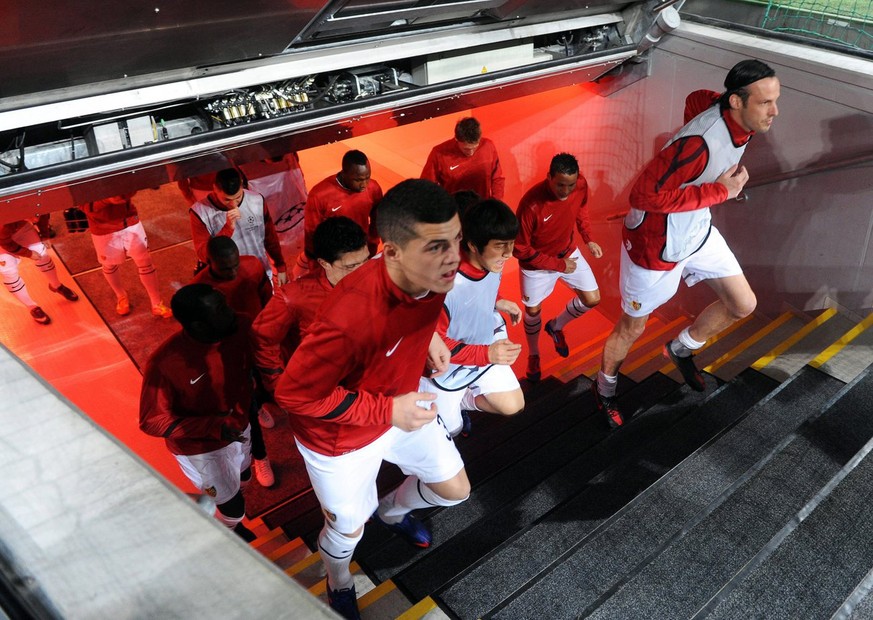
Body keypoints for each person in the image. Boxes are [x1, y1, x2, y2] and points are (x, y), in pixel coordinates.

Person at [273, 179, 470, 620]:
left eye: (456, 239)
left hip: (397, 408)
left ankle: (394, 511)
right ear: (393, 252)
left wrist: (433, 334)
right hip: (340, 438)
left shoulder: (430, 276)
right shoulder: (350, 317)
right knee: (347, 529)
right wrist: (386, 410)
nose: (455, 257)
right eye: (438, 246)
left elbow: (418, 316)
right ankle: (339, 579)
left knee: (454, 490)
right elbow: (294, 395)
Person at [593, 59, 780, 429]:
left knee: (743, 304)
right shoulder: (698, 145)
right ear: (737, 102)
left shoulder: (735, 116)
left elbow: (697, 99)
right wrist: (719, 192)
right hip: (655, 246)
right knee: (631, 327)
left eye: (776, 100)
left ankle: (680, 349)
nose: (775, 111)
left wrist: (712, 193)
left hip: (696, 229)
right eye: (765, 103)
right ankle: (605, 388)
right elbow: (643, 195)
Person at [139, 284, 257, 542]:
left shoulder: (240, 327)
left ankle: (233, 520)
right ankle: (229, 532)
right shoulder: (165, 363)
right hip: (202, 450)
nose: (231, 312)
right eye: (221, 310)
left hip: (240, 426)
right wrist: (212, 426)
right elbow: (152, 421)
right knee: (233, 507)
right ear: (198, 325)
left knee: (245, 477)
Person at [419, 198, 524, 438]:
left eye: (511, 244)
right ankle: (455, 404)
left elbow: (482, 286)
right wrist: (487, 354)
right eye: (501, 246)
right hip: (446, 369)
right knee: (451, 433)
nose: (509, 254)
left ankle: (465, 400)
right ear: (473, 246)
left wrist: (497, 300)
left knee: (513, 404)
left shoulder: (490, 262)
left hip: (481, 347)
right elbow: (434, 346)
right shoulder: (444, 287)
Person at [252, 216, 370, 397]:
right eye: (351, 266)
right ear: (324, 263)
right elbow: (262, 339)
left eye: (365, 261)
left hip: (361, 381)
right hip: (320, 390)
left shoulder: (375, 279)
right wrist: (277, 384)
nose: (363, 271)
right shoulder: (294, 297)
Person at [192, 236, 275, 487]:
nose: (233, 271)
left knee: (271, 382)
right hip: (231, 351)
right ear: (209, 262)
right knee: (246, 405)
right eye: (225, 268)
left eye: (235, 264)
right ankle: (260, 456)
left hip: (260, 339)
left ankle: (261, 402)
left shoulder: (253, 265)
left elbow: (269, 300)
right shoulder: (200, 286)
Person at [513, 153, 603, 382]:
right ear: (548, 178)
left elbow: (581, 208)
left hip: (568, 253)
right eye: (560, 185)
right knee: (533, 311)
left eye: (570, 185)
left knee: (592, 299)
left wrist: (588, 238)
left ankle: (556, 326)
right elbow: (520, 249)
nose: (566, 190)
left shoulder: (580, 185)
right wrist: (559, 265)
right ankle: (534, 354)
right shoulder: (531, 205)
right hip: (537, 267)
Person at [189, 168, 288, 284]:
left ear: (242, 185)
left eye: (238, 198)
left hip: (259, 274)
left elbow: (270, 237)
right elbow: (203, 254)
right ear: (215, 188)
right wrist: (227, 229)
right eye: (227, 199)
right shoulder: (200, 213)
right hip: (226, 282)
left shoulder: (257, 201)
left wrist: (280, 265)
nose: (233, 204)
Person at [82, 192, 172, 319]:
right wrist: (107, 200)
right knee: (109, 265)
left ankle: (156, 303)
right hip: (102, 227)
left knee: (145, 261)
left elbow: (132, 182)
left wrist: (125, 193)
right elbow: (80, 203)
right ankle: (121, 296)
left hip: (130, 220)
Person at [294, 150, 382, 278]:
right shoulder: (319, 195)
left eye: (367, 178)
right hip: (336, 259)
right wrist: (315, 266)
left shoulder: (373, 188)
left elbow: (377, 220)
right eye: (358, 180)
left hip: (360, 253)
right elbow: (311, 232)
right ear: (344, 173)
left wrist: (372, 247)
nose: (364, 185)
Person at [0, 219, 79, 324]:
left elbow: (42, 215)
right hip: (2, 238)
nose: (36, 219)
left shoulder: (34, 207)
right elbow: (5, 242)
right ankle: (31, 306)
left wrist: (44, 234)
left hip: (21, 227)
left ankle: (56, 286)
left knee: (43, 255)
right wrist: (28, 253)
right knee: (9, 273)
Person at [421, 117, 506, 200]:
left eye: (475, 147)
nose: (471, 152)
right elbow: (426, 187)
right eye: (466, 149)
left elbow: (497, 178)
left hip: (481, 209)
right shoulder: (439, 153)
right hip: (454, 210)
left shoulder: (488, 146)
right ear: (456, 139)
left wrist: (495, 204)